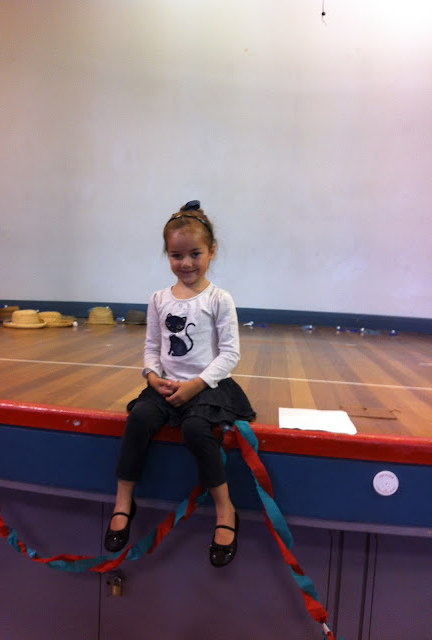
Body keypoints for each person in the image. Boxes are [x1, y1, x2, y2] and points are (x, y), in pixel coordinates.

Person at [105, 200, 255, 567]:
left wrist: (196, 385)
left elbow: (230, 354)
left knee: (195, 429)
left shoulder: (219, 299)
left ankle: (225, 508)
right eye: (176, 255)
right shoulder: (158, 299)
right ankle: (123, 500)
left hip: (206, 387)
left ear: (211, 251)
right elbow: (152, 347)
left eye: (194, 254)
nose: (186, 263)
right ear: (167, 255)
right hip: (165, 385)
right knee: (139, 419)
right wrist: (152, 376)